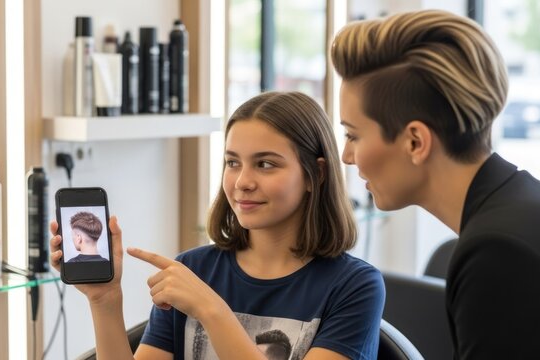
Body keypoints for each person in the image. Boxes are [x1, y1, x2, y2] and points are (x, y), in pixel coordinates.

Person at [50, 91, 385, 360]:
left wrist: (210, 309)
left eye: (266, 164)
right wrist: (105, 300)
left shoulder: (355, 287)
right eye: (232, 162)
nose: (242, 182)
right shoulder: (193, 268)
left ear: (317, 174)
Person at [331, 9, 540, 359]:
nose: (347, 156)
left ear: (415, 142)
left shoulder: (498, 253)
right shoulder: (531, 206)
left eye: (353, 135)